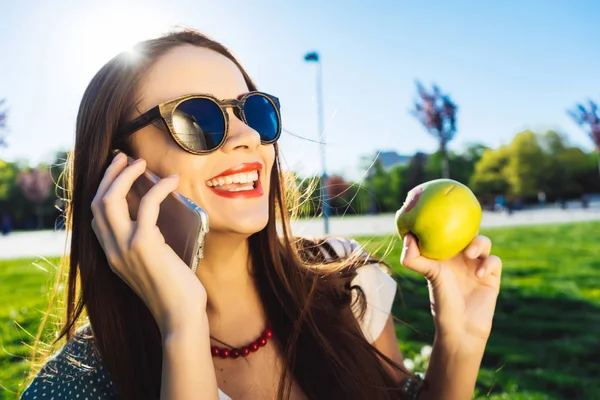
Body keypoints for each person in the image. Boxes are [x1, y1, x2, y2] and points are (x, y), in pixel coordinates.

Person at [21, 28, 502, 400]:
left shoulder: (347, 281)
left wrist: (459, 344)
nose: (246, 137)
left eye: (253, 112)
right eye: (197, 119)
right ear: (117, 172)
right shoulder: (74, 383)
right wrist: (182, 325)